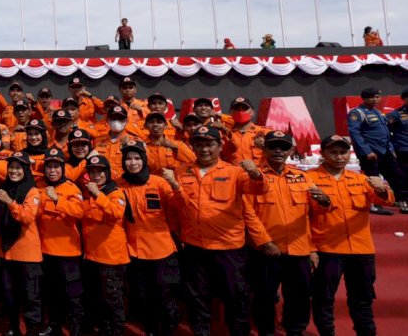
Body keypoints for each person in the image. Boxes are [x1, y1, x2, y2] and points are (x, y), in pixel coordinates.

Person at [161, 125, 267, 336]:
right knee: (197, 297)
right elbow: (175, 207)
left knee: (236, 297)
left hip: (229, 248)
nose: (204, 149)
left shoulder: (235, 172)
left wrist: (256, 174)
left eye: (209, 144)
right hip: (194, 247)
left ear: (219, 146)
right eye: (199, 144)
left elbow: (258, 189)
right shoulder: (181, 172)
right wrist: (175, 233)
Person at [244, 131, 330, 336]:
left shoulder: (302, 177)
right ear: (264, 149)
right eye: (273, 146)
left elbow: (312, 214)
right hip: (265, 250)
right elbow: (248, 213)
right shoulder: (253, 176)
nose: (278, 151)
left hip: (299, 249)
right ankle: (266, 330)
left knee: (299, 296)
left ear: (291, 150)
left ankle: (295, 329)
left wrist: (325, 202)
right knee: (264, 296)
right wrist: (264, 242)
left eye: (283, 147)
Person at [307, 135, 394, 336]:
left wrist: (381, 189)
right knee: (323, 300)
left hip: (361, 250)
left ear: (349, 154)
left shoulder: (361, 179)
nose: (339, 157)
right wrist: (310, 248)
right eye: (333, 152)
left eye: (343, 152)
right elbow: (303, 217)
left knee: (362, 301)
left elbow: (386, 201)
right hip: (327, 250)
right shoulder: (309, 179)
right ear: (322, 154)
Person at [119, 141, 180, 336]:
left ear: (144, 160)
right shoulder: (119, 185)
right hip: (134, 251)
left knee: (164, 295)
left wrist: (175, 185)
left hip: (161, 250)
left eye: (137, 158)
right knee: (142, 296)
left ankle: (169, 329)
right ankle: (151, 329)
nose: (133, 162)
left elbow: (177, 208)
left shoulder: (159, 182)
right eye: (128, 158)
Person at [0, 152, 43, 336]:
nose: (14, 171)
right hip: (6, 252)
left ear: (26, 170)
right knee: (9, 295)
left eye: (18, 168)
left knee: (31, 296)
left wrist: (10, 202)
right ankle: (13, 327)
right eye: (11, 167)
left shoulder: (32, 191)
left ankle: (32, 330)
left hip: (27, 252)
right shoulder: (4, 188)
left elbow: (26, 216)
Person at [37, 148, 85, 336]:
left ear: (63, 169)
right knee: (51, 292)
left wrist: (57, 199)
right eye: (49, 166)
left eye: (56, 166)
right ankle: (54, 325)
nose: (52, 170)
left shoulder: (72, 188)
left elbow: (79, 212)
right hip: (46, 250)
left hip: (68, 251)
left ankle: (76, 328)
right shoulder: (39, 187)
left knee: (73, 293)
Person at [79, 155, 129, 336]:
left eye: (100, 171)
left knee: (112, 300)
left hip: (112, 258)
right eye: (92, 171)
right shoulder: (89, 194)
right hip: (92, 257)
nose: (96, 175)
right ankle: (104, 329)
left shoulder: (115, 192)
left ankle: (117, 331)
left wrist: (98, 194)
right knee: (96, 298)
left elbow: (115, 213)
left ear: (107, 173)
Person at [347, 87, 408, 214]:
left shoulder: (378, 113)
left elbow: (386, 132)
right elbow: (354, 133)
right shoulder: (357, 113)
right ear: (364, 98)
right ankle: (374, 204)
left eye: (377, 97)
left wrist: (391, 149)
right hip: (371, 152)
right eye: (372, 97)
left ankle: (403, 201)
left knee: (397, 176)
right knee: (372, 179)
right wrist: (366, 150)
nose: (375, 100)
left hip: (385, 151)